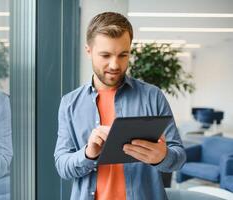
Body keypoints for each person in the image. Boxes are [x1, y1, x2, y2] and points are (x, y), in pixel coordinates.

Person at [54, 12, 186, 200]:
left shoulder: (152, 96)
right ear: (88, 50)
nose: (115, 65)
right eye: (105, 55)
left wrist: (162, 157)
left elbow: (179, 158)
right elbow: (62, 166)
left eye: (123, 55)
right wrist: (88, 153)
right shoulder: (70, 103)